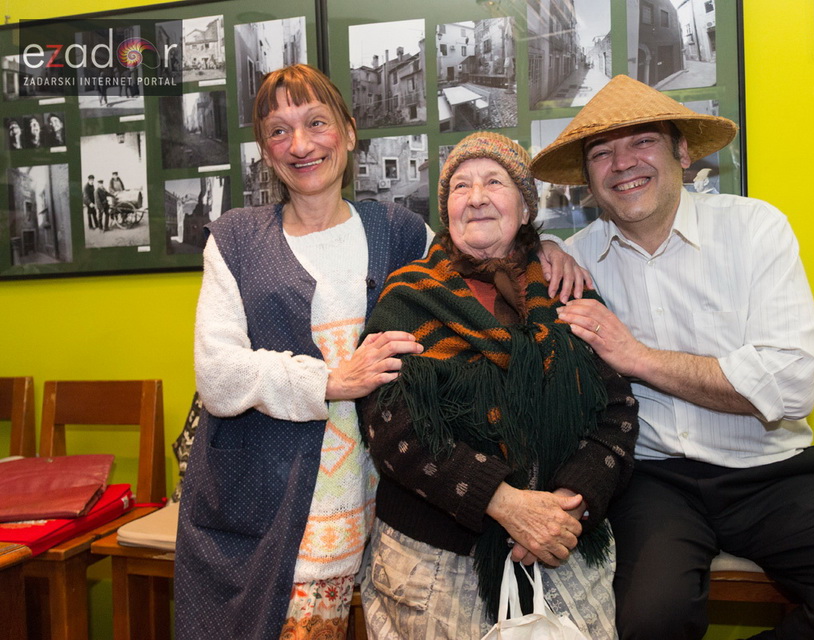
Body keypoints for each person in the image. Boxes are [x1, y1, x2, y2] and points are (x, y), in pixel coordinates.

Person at [174, 66, 586, 640]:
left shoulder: (399, 231)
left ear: (347, 132)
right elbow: (217, 374)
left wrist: (549, 248)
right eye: (278, 131)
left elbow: (483, 243)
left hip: (383, 509)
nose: (300, 145)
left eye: (316, 123)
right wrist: (329, 381)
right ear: (265, 152)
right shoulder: (236, 239)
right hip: (266, 508)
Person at [531, 74, 814, 640]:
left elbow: (791, 385)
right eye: (602, 153)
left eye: (642, 141)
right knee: (649, 622)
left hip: (773, 472)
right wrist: (539, 249)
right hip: (653, 479)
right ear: (587, 181)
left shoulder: (755, 229)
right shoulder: (576, 260)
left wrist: (638, 357)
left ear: (682, 151)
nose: (623, 163)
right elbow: (483, 255)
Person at [358, 132, 639, 639]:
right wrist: (505, 503)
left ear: (525, 207)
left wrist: (566, 506)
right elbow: (391, 430)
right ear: (447, 212)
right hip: (436, 568)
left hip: (563, 551)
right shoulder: (408, 298)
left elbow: (617, 413)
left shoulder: (566, 290)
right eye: (460, 187)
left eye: (495, 181)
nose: (477, 196)